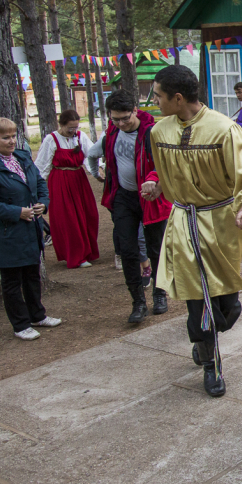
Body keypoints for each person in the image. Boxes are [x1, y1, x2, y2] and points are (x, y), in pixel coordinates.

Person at [145, 65, 242, 398]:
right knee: (198, 297)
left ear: (177, 98)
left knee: (228, 302)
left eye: (157, 95)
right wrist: (157, 184)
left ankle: (210, 327)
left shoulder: (223, 129)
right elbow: (164, 170)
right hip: (184, 221)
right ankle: (209, 361)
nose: (154, 101)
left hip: (221, 221)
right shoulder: (159, 132)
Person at [0, 117, 62, 341]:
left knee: (32, 275)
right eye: (6, 137)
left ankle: (37, 315)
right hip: (7, 232)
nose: (12, 141)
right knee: (12, 280)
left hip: (30, 229)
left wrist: (44, 202)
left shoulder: (22, 157)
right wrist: (16, 212)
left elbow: (39, 182)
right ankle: (20, 324)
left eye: (14, 136)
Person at [88, 90, 172, 323]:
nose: (121, 123)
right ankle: (138, 302)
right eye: (116, 119)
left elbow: (164, 162)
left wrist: (154, 179)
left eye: (126, 117)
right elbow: (95, 154)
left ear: (135, 110)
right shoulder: (112, 132)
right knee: (127, 249)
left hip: (151, 198)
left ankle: (159, 293)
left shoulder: (153, 131)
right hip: (123, 197)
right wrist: (99, 176)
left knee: (156, 249)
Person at [33, 110, 99, 269]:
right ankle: (76, 256)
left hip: (79, 180)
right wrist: (36, 189)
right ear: (61, 125)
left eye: (75, 127)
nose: (73, 131)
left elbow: (91, 154)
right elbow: (42, 166)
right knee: (69, 219)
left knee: (89, 215)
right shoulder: (51, 139)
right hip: (60, 182)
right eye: (70, 128)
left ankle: (88, 251)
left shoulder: (80, 136)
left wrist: (98, 171)